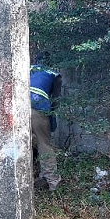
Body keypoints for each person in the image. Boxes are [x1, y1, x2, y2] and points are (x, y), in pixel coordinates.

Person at [30, 64, 62, 192]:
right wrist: (51, 120)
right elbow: (55, 100)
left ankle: (26, 180)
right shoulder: (54, 74)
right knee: (44, 144)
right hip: (39, 108)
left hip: (18, 107)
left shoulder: (28, 68)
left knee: (23, 144)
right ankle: (52, 181)